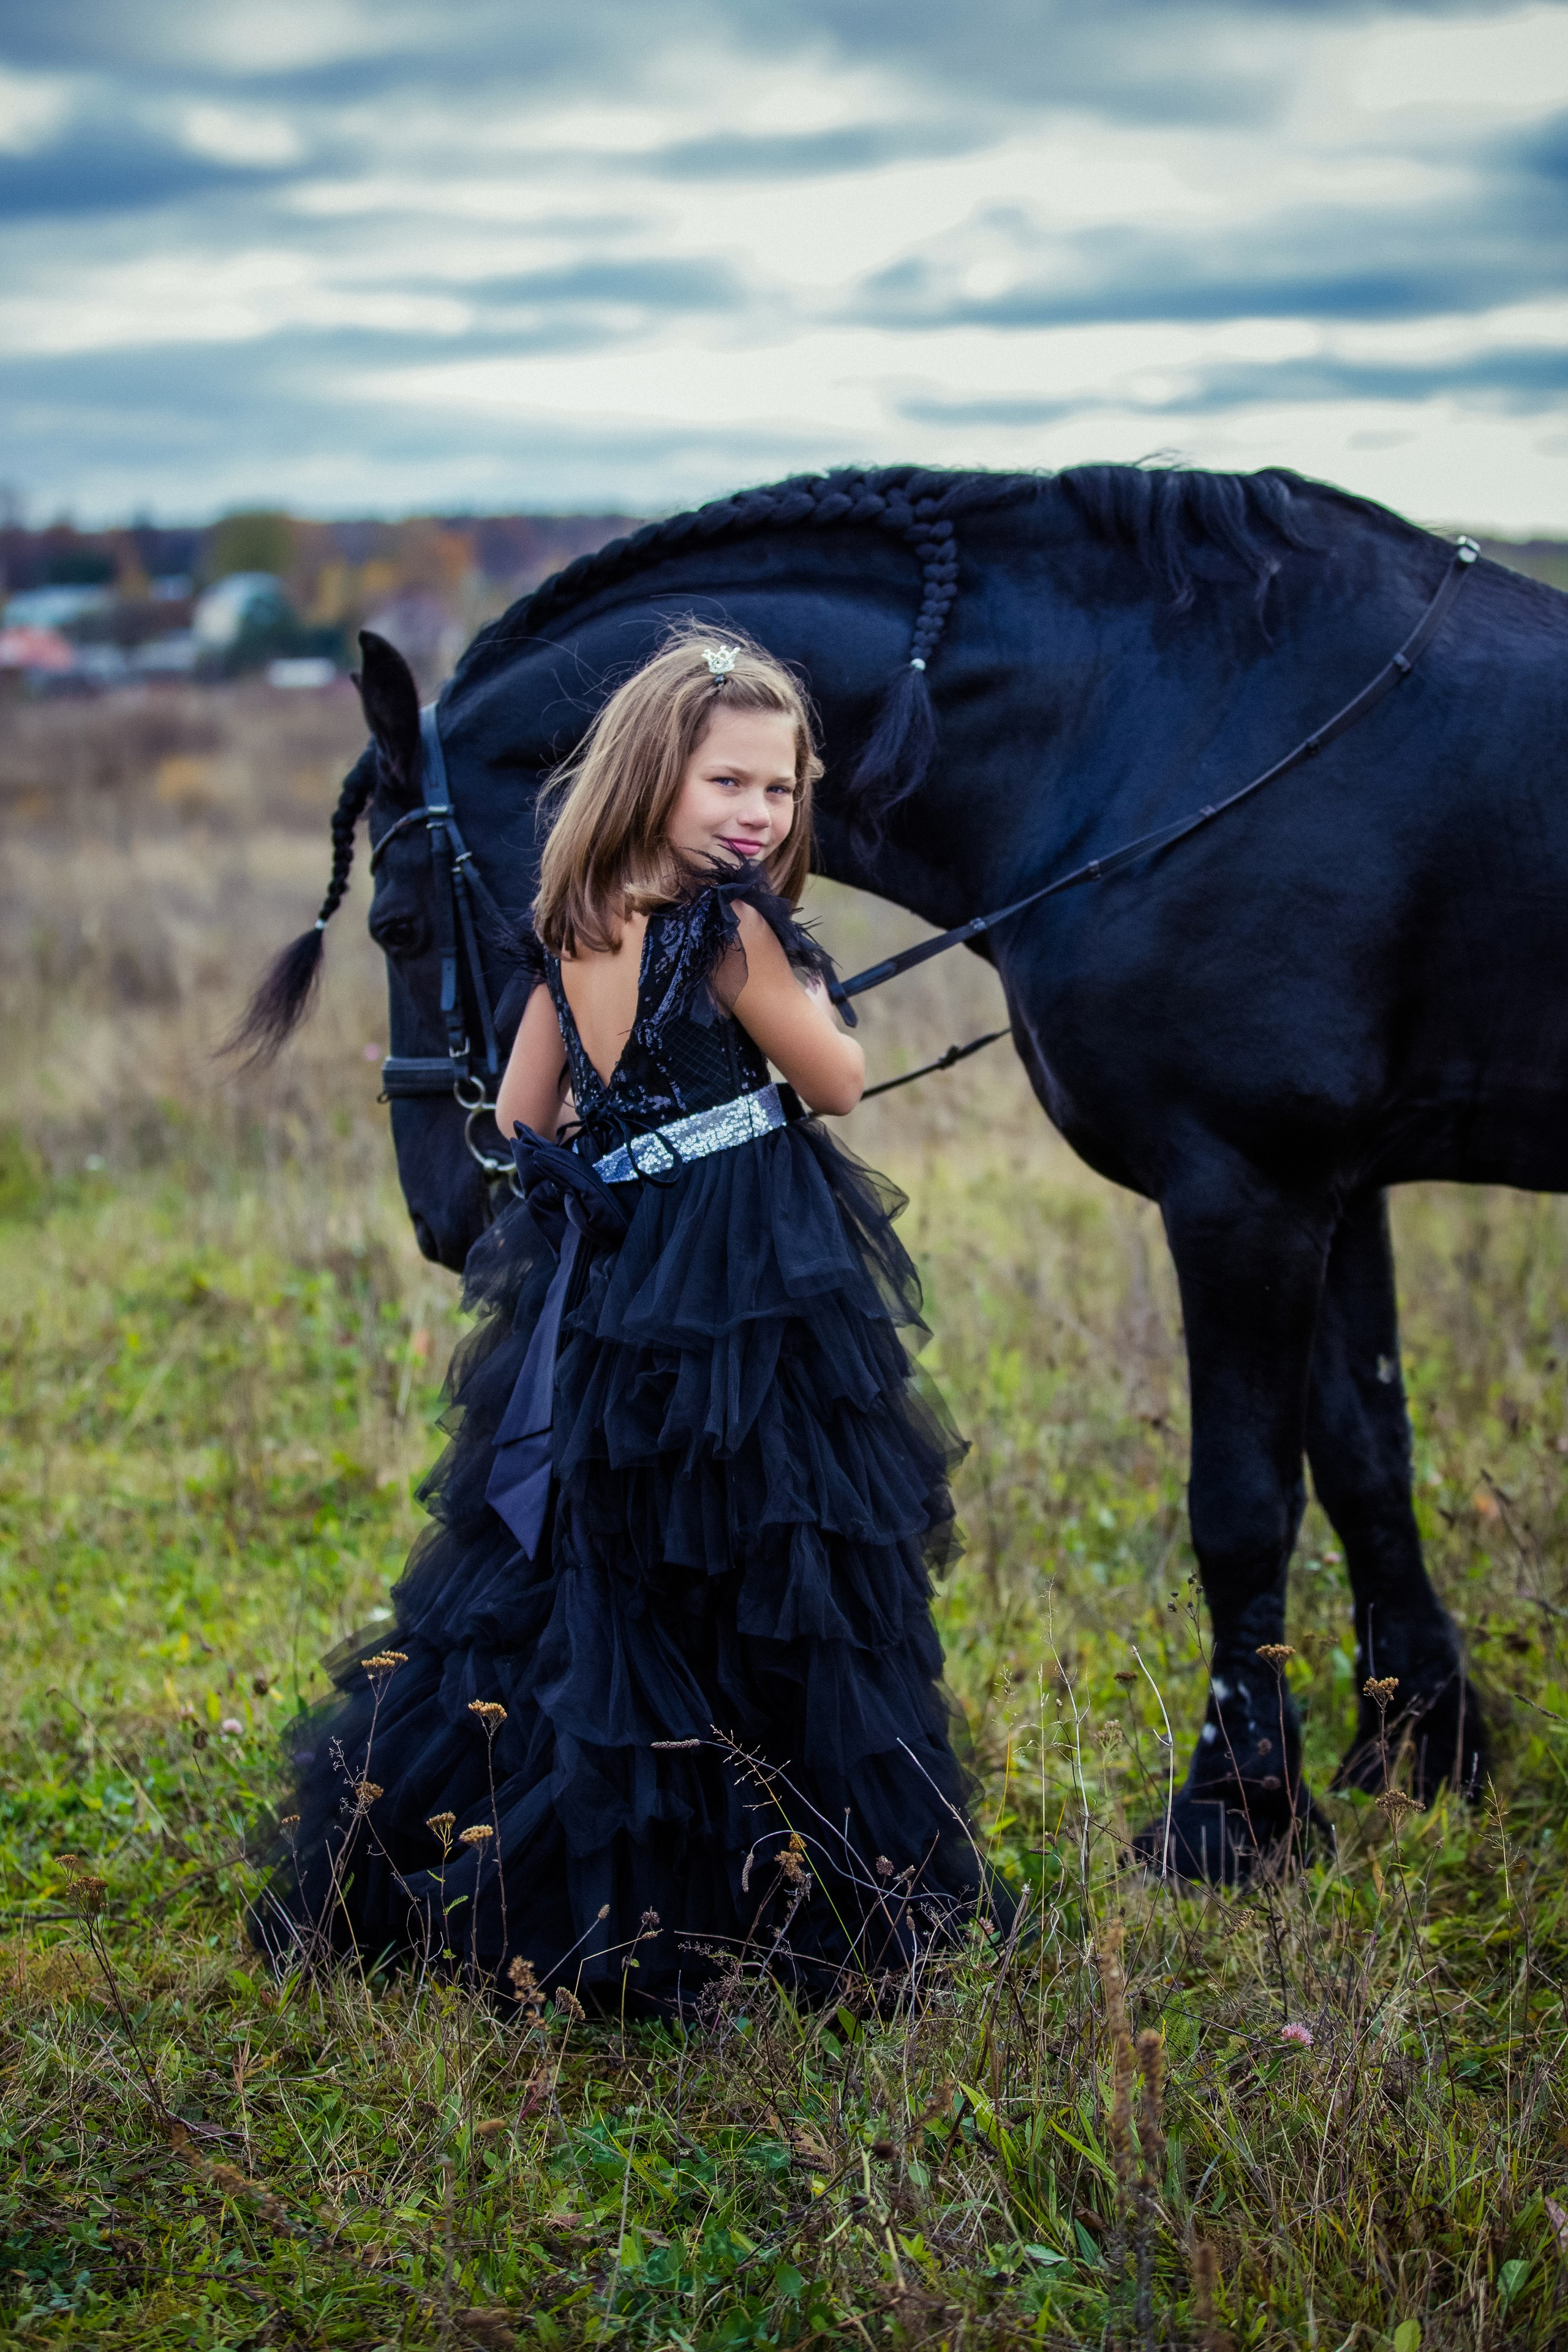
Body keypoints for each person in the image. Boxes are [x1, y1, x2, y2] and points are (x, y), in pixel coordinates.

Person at [254, 624, 996, 2008]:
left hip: (609, 1281)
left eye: (778, 793)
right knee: (781, 1552)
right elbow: (833, 1082)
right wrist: (810, 998)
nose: (757, 815)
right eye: (728, 785)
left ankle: (577, 1862)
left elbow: (523, 1124)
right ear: (655, 776)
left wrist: (628, 1129)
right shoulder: (731, 931)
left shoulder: (570, 928)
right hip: (743, 1282)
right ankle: (802, 1884)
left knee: (604, 1563)